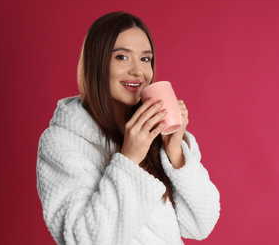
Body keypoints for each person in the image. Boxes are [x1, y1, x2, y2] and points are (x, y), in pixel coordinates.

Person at [36, 12, 220, 245]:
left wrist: (176, 154)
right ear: (96, 63)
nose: (138, 71)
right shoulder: (62, 142)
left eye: (145, 59)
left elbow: (201, 224)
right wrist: (130, 159)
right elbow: (83, 239)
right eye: (122, 57)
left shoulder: (160, 134)